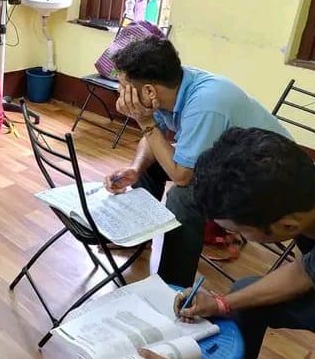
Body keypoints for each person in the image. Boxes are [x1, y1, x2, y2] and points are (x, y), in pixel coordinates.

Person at [128, 127, 315, 359]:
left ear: (287, 226)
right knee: (243, 296)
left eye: (237, 231)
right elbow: (307, 268)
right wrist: (221, 303)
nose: (233, 236)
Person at [105, 36, 289, 287]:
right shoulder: (172, 86)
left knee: (184, 197)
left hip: (269, 181)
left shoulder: (205, 103)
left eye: (123, 86)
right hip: (232, 162)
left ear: (149, 91)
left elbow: (182, 176)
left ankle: (171, 287)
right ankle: (136, 233)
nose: (120, 92)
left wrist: (144, 121)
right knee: (152, 163)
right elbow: (154, 139)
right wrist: (136, 169)